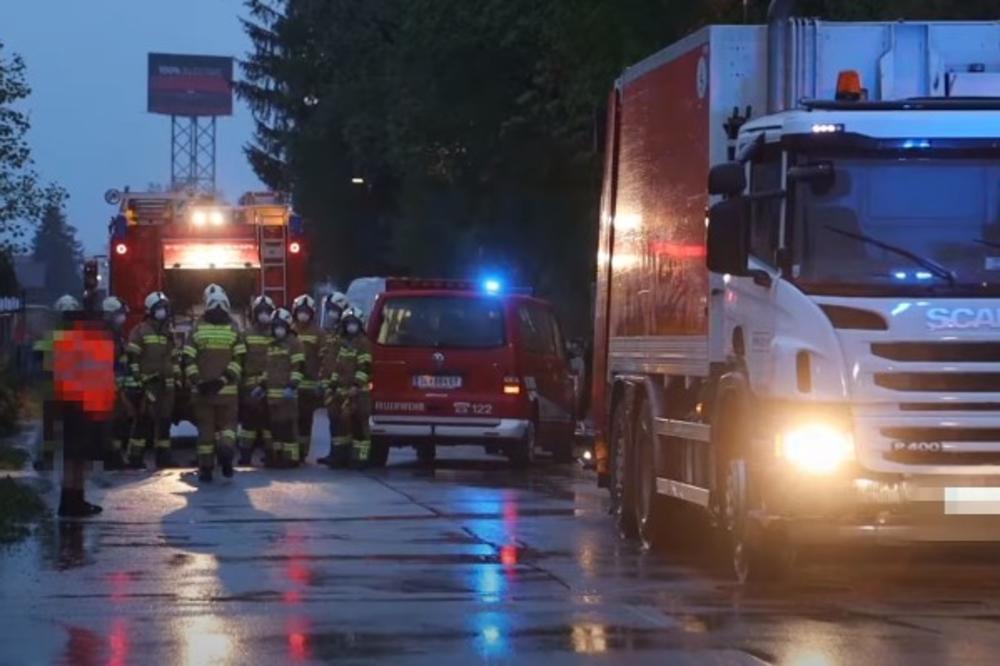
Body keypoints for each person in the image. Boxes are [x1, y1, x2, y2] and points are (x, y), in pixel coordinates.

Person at [49, 294, 116, 517]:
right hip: (81, 407)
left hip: (71, 405)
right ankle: (72, 502)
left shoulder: (67, 339)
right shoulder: (83, 341)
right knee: (77, 459)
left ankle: (73, 501)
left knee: (74, 458)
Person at [182, 291, 245, 482]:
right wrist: (224, 379)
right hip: (227, 391)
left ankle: (206, 468)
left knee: (205, 430)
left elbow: (188, 358)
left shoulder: (198, 328)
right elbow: (239, 359)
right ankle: (226, 449)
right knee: (228, 426)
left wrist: (196, 381)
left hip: (203, 392)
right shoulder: (233, 329)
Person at [125, 292, 179, 469]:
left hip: (166, 386)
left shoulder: (167, 333)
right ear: (151, 310)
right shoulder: (140, 330)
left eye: (165, 308)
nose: (163, 311)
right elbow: (132, 357)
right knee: (143, 422)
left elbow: (173, 357)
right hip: (148, 385)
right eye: (160, 308)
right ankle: (135, 457)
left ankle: (163, 458)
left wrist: (177, 378)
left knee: (164, 422)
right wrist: (138, 380)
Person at [322, 306, 373, 469]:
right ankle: (340, 458)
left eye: (354, 323)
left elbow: (365, 367)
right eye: (348, 323)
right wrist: (333, 385)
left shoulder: (363, 343)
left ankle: (361, 459)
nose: (351, 326)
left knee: (360, 429)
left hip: (359, 394)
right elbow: (339, 368)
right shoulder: (343, 344)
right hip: (342, 393)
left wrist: (356, 386)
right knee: (341, 429)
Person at [254, 308, 305, 467]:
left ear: (287, 325)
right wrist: (262, 385)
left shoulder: (295, 343)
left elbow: (299, 367)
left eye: (281, 325)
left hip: (287, 396)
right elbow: (267, 369)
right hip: (272, 397)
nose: (278, 329)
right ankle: (276, 457)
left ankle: (291, 459)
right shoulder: (271, 345)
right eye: (275, 326)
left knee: (288, 429)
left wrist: (292, 386)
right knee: (275, 430)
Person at [238, 295, 276, 466]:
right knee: (249, 423)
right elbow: (239, 360)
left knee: (270, 423)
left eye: (266, 311)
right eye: (260, 312)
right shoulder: (246, 335)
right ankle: (245, 456)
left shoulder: (278, 335)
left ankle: (270, 455)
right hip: (250, 386)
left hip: (272, 385)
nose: (263, 315)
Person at [316, 292, 349, 466]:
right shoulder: (331, 332)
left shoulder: (347, 332)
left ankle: (342, 456)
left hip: (342, 384)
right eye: (329, 310)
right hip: (330, 383)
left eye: (333, 310)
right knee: (334, 420)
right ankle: (335, 454)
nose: (330, 313)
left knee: (342, 422)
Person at [102, 296, 135, 470]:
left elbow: (121, 362)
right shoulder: (104, 337)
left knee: (119, 423)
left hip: (116, 388)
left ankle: (114, 456)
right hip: (106, 389)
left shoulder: (116, 335)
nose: (122, 318)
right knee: (111, 425)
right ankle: (111, 458)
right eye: (119, 314)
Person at [291, 294, 324, 463]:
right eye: (300, 311)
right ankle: (293, 451)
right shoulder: (290, 329)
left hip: (309, 386)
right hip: (290, 385)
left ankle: (302, 452)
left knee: (305, 420)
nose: (303, 314)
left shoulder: (318, 333)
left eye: (306, 311)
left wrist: (320, 380)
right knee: (291, 419)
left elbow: (323, 358)